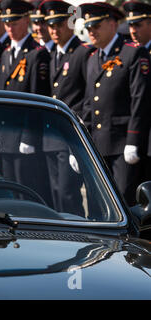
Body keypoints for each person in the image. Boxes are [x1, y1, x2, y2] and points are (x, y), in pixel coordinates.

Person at [80, 2, 150, 205]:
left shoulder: (132, 53)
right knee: (98, 203)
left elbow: (140, 99)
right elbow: (88, 105)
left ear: (112, 24)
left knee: (123, 202)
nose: (91, 32)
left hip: (122, 145)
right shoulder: (93, 58)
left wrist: (133, 141)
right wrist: (82, 143)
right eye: (88, 28)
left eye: (96, 26)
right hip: (99, 144)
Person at [0, 0, 52, 206]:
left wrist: (29, 136)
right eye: (6, 22)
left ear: (26, 20)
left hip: (24, 138)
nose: (9, 27)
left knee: (28, 191)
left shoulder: (37, 53)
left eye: (14, 22)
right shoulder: (6, 53)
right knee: (9, 191)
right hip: (5, 135)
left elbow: (37, 100)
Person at [40, 0, 95, 215]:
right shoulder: (51, 53)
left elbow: (88, 96)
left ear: (70, 24)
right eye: (51, 25)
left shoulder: (82, 53)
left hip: (70, 135)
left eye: (59, 24)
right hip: (51, 135)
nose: (54, 30)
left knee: (67, 193)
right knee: (54, 194)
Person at [122, 1, 151, 183]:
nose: (133, 30)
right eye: (131, 25)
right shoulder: (129, 53)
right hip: (134, 136)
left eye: (138, 25)